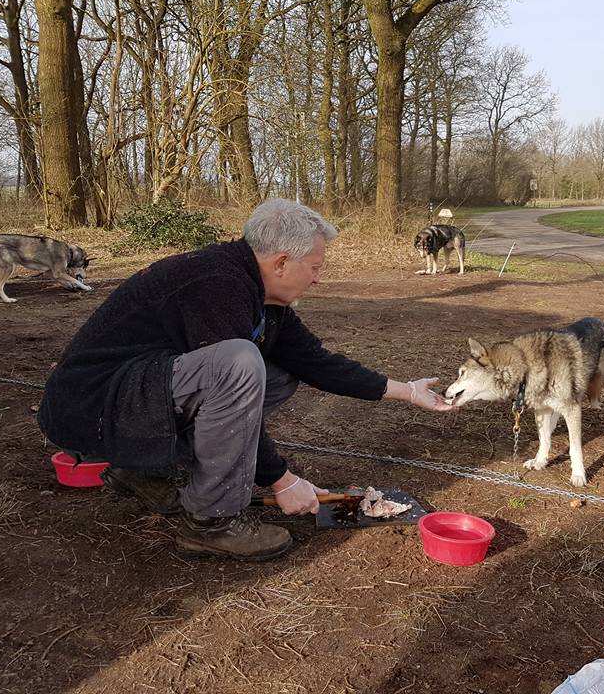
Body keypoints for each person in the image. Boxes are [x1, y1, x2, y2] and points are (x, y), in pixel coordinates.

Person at [38, 198, 455, 561]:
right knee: (240, 363)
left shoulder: (261, 294)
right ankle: (211, 523)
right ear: (281, 262)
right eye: (315, 267)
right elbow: (230, 384)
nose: (318, 277)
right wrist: (281, 479)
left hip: (133, 400)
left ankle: (145, 470)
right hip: (90, 408)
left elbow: (314, 361)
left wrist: (406, 391)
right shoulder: (216, 285)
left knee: (274, 375)